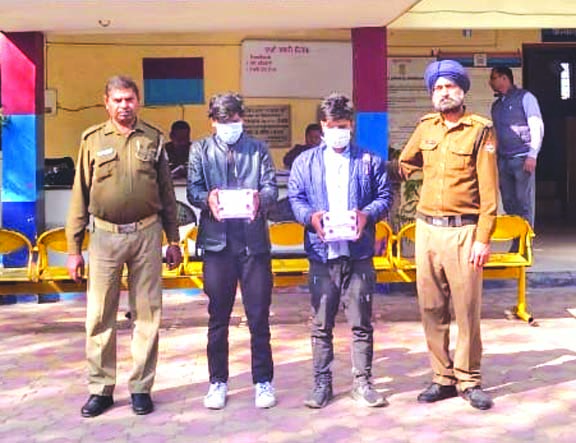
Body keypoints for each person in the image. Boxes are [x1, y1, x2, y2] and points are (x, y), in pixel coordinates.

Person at [66, 75, 182, 418]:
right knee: (99, 315)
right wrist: (74, 249)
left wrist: (173, 239)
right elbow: (79, 195)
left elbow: (167, 193)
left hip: (147, 234)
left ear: (138, 101)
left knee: (147, 313)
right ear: (106, 102)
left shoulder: (153, 138)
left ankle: (141, 388)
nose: (124, 106)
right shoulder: (92, 140)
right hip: (104, 237)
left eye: (129, 99)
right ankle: (100, 388)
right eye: (117, 100)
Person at [398, 60, 498, 410]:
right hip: (427, 229)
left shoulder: (480, 130)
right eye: (438, 88)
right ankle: (442, 377)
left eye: (450, 86)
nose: (444, 93)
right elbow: (406, 162)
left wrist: (483, 238)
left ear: (462, 90)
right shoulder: (426, 127)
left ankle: (468, 379)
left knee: (466, 309)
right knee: (431, 307)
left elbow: (490, 192)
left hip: (463, 232)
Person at [288, 93, 392, 409]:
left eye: (344, 126)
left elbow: (384, 197)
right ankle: (322, 384)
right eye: (332, 126)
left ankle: (363, 383)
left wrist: (367, 215)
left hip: (358, 254)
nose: (338, 132)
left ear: (352, 126)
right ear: (322, 125)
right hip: (322, 255)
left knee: (361, 322)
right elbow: (296, 199)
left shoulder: (369, 161)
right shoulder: (305, 162)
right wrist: (310, 218)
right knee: (322, 324)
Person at [187, 92, 278, 410]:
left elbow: (271, 188)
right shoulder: (200, 149)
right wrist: (207, 198)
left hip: (253, 244)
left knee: (258, 316)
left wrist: (260, 199)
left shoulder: (258, 149)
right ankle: (218, 381)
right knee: (218, 317)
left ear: (243, 119)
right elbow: (193, 189)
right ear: (213, 121)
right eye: (223, 121)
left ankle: (263, 381)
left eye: (235, 120)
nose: (230, 126)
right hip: (217, 245)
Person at [489, 66, 544, 228]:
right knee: (508, 202)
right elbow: (496, 133)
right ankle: (515, 238)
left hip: (522, 158)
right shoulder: (496, 106)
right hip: (503, 160)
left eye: (493, 78)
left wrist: (532, 155)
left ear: (504, 78)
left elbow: (536, 125)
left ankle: (525, 240)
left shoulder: (526, 97)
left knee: (523, 201)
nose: (490, 82)